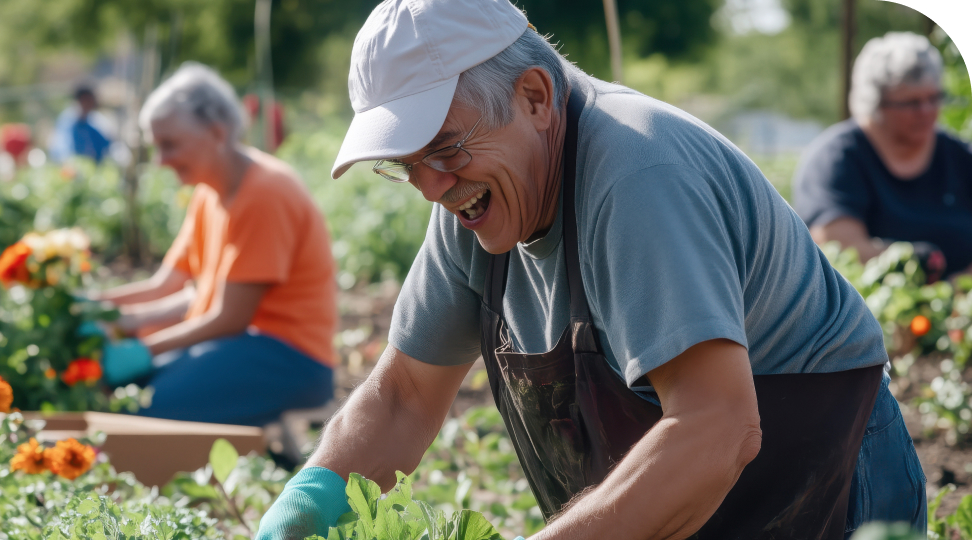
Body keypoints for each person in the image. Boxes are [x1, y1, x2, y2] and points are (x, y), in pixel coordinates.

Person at [256, 1, 925, 539]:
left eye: (445, 147)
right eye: (406, 164)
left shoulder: (638, 173)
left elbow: (717, 428)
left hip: (828, 488)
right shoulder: (475, 194)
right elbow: (404, 395)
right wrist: (303, 506)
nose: (430, 187)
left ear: (536, 97)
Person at [94, 63, 338, 427]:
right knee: (124, 394)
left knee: (139, 414)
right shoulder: (209, 191)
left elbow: (229, 317)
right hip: (236, 347)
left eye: (170, 145)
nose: (160, 160)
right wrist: (99, 308)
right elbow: (168, 286)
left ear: (217, 132)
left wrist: (140, 349)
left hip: (288, 361)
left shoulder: (265, 192)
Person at [795, 32, 972, 282]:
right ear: (875, 104)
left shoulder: (961, 158)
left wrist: (959, 289)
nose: (926, 111)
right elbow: (839, 249)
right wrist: (917, 266)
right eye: (911, 103)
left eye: (933, 98)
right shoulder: (837, 159)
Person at [49, 84, 111, 163]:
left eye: (90, 101)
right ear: (79, 101)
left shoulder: (95, 120)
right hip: (71, 167)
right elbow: (59, 147)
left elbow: (106, 143)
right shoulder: (67, 120)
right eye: (85, 100)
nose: (88, 104)